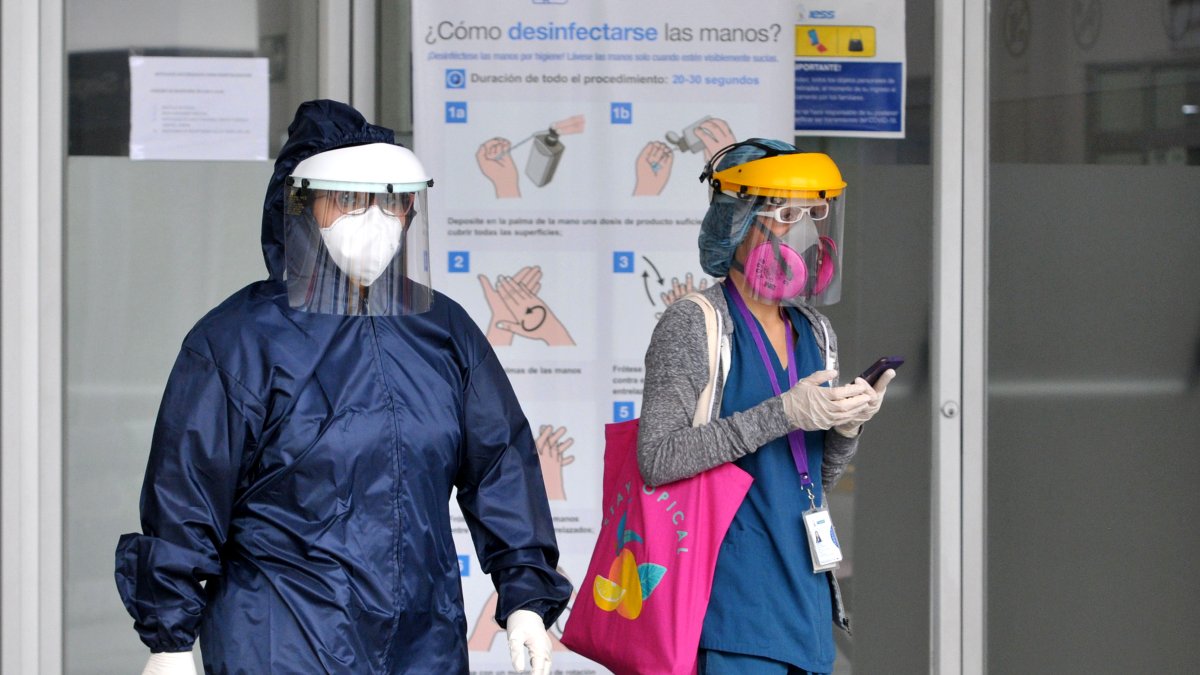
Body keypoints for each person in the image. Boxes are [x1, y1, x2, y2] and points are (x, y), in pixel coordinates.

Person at [114, 100, 572, 675]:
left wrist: (525, 596)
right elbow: (187, 492)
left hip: (421, 641)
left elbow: (499, 465)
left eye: (392, 201)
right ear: (303, 205)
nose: (376, 220)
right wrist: (170, 640)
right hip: (283, 637)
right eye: (351, 200)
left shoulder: (442, 332)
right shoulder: (240, 341)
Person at [637, 139, 896, 674]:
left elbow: (810, 478)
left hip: (804, 607)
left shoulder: (815, 330)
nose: (804, 235)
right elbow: (657, 459)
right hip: (731, 612)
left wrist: (848, 425)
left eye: (814, 215)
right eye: (785, 215)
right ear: (736, 221)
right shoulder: (695, 323)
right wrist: (783, 414)